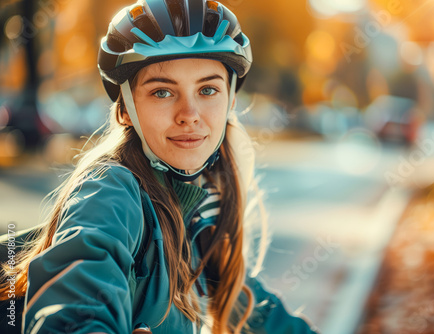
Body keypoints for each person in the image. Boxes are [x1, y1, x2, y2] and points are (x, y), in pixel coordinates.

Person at [0, 0, 321, 333]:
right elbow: (73, 313)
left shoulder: (198, 224)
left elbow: (263, 315)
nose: (189, 113)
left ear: (230, 101)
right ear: (126, 109)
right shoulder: (109, 191)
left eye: (208, 89)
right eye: (163, 92)